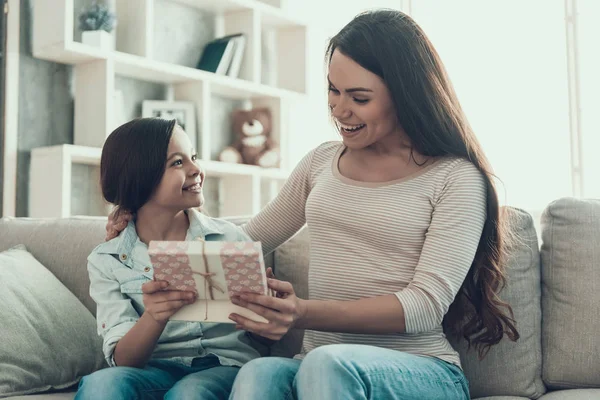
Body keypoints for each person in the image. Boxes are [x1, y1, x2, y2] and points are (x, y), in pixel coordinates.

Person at [107, 9, 520, 400]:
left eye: (359, 97)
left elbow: (423, 307)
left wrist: (302, 312)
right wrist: (140, 216)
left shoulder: (456, 179)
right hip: (315, 365)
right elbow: (243, 239)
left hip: (422, 369)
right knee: (258, 372)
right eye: (333, 90)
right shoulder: (322, 161)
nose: (340, 110)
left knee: (327, 363)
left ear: (406, 94)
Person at [75, 118, 267, 400]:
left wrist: (262, 307)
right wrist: (155, 316)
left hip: (223, 367)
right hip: (153, 371)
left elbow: (263, 339)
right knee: (101, 384)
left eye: (193, 157)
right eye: (178, 163)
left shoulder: (229, 239)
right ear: (140, 176)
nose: (196, 169)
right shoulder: (108, 260)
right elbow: (124, 360)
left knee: (189, 393)